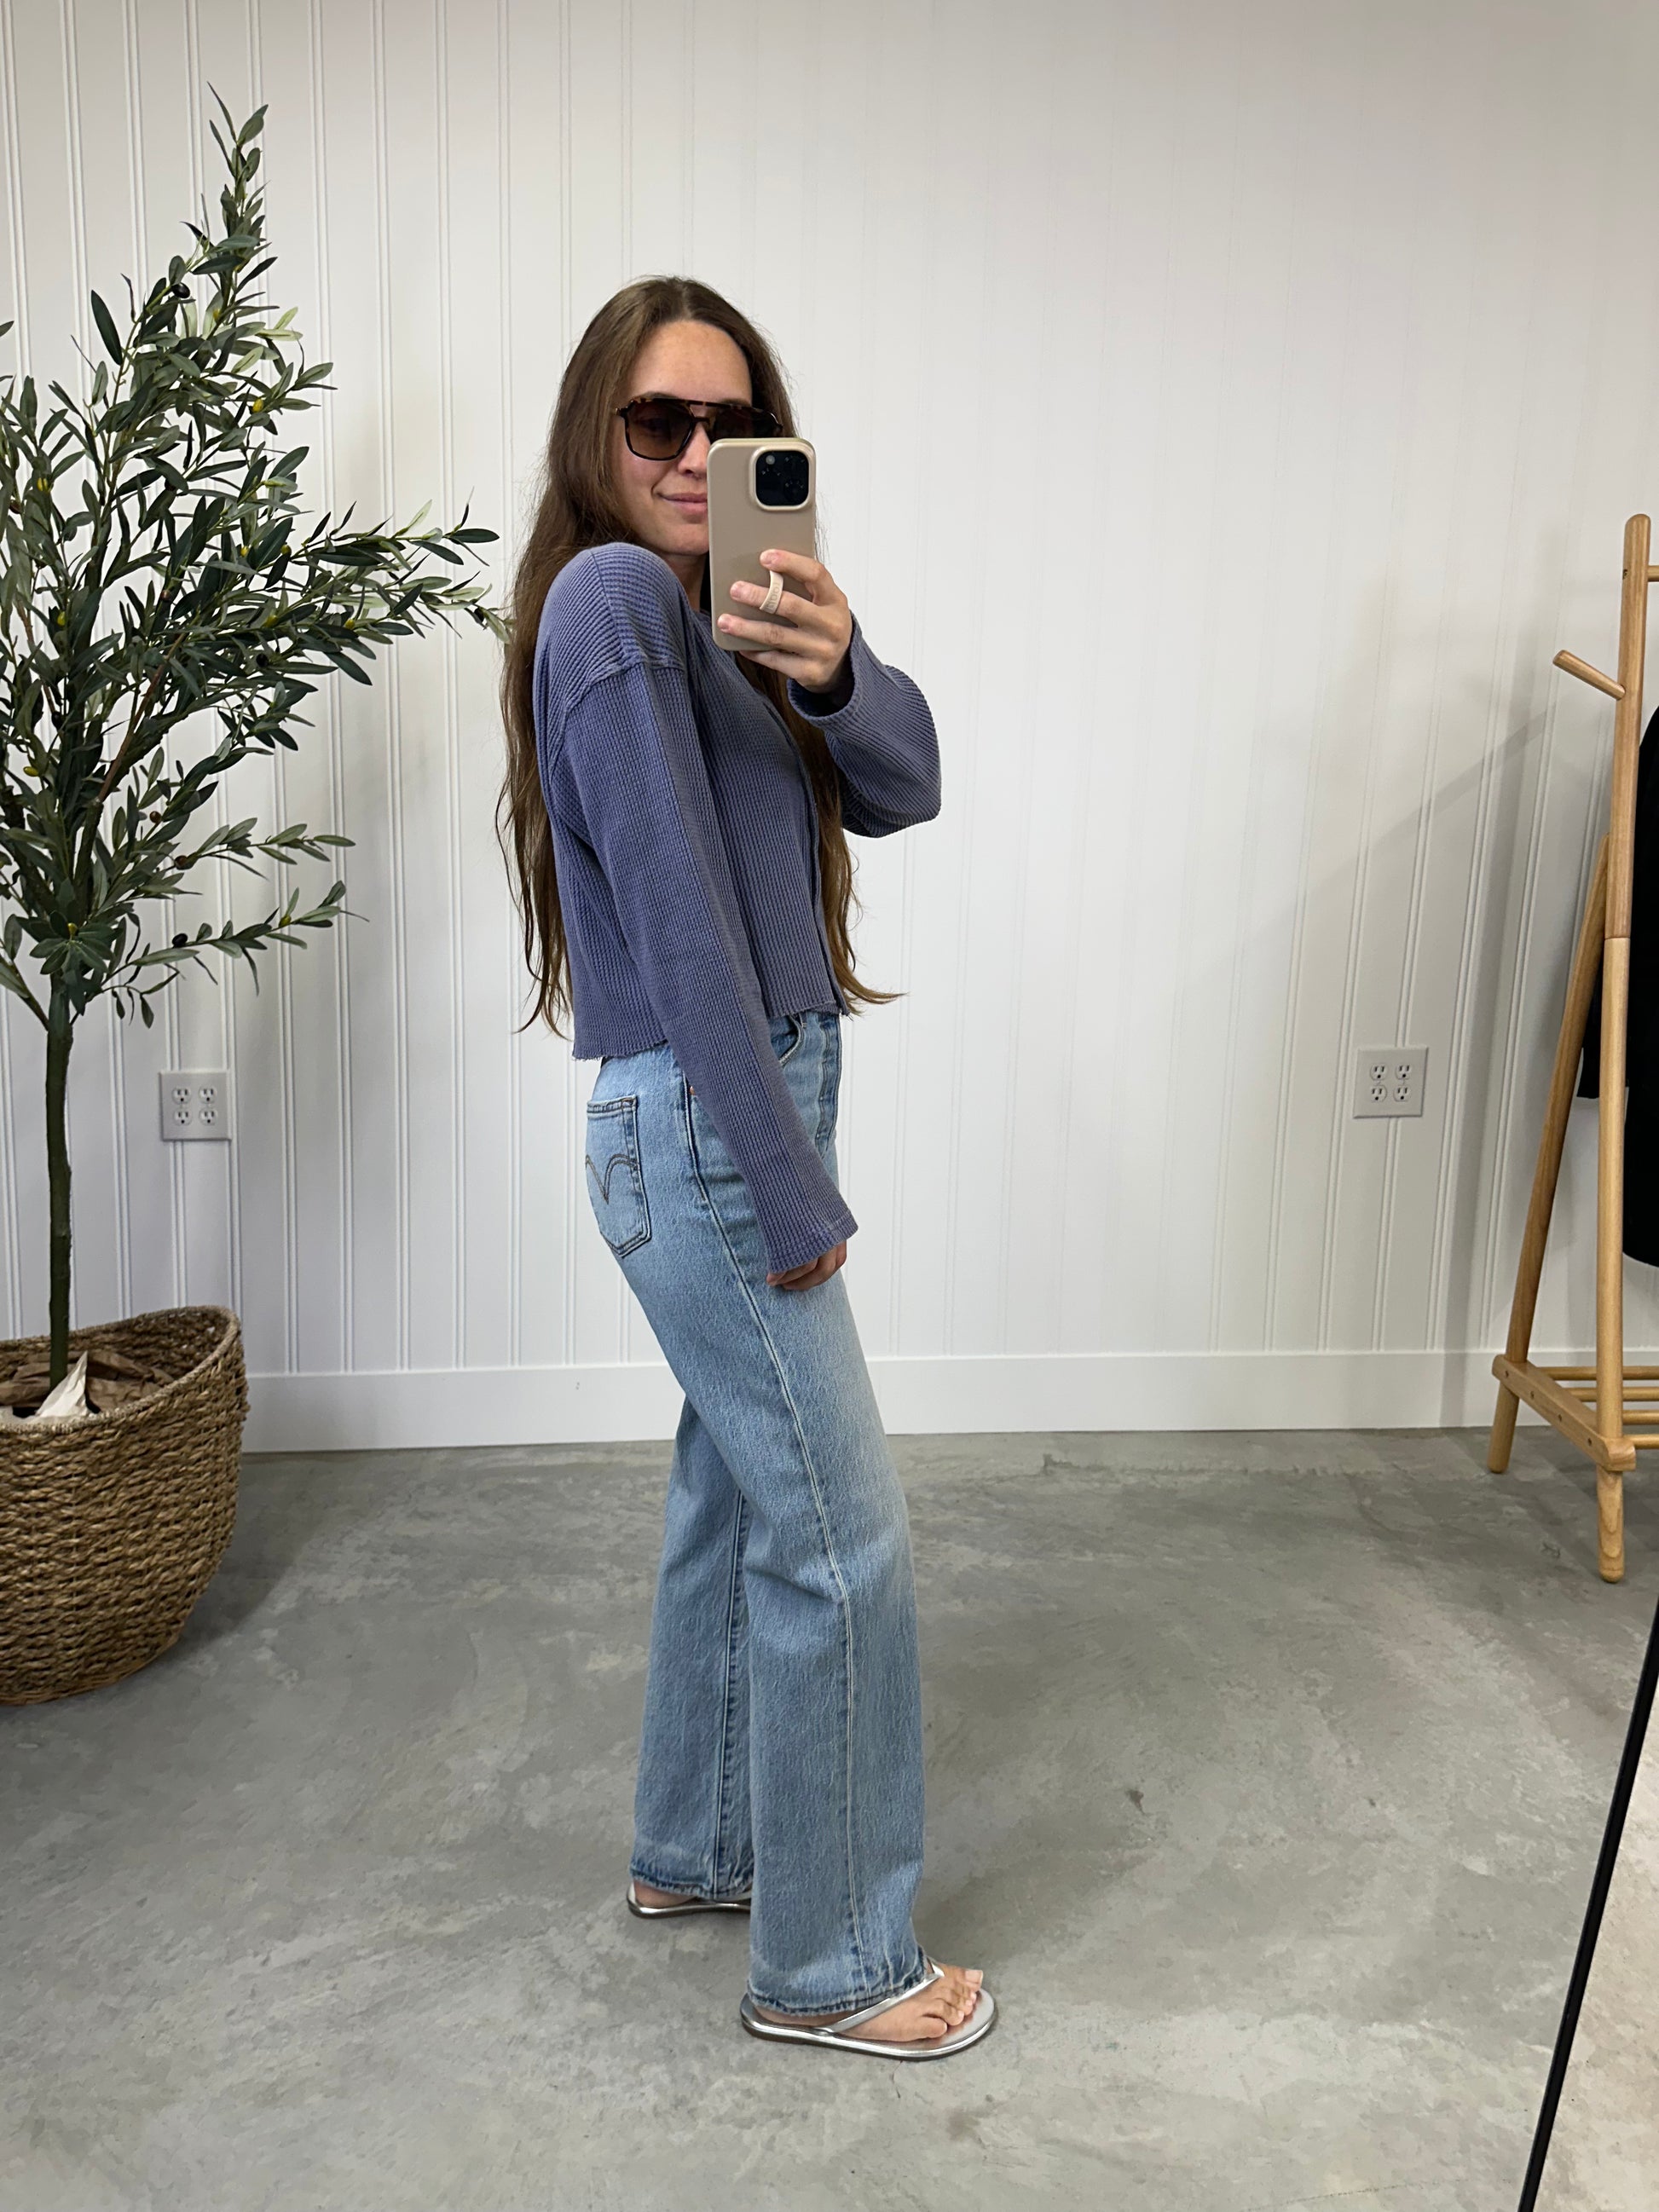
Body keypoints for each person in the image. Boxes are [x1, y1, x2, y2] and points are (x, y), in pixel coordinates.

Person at [497, 275, 994, 2059]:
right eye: (658, 424)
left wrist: (831, 662)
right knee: (841, 1537)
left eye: (732, 426)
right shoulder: (617, 598)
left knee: (733, 1496)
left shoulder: (739, 611)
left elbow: (910, 779)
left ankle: (694, 1845)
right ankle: (836, 1963)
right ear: (597, 439)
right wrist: (788, 1198)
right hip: (717, 1123)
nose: (698, 454)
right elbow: (693, 930)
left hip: (722, 1109)